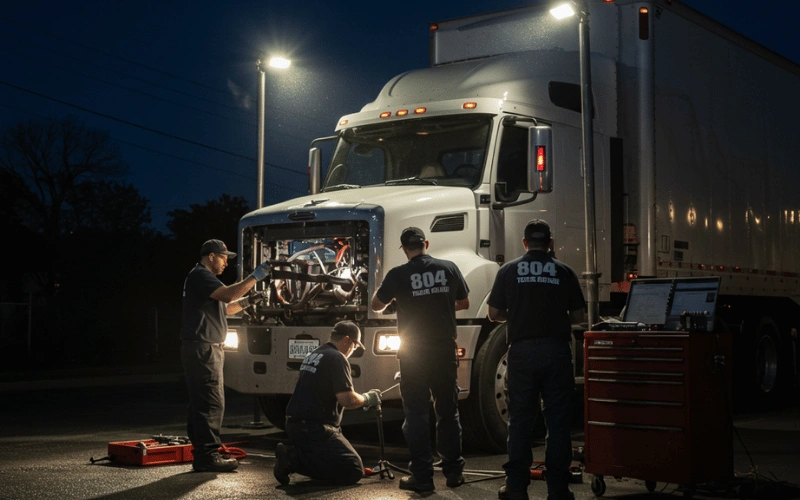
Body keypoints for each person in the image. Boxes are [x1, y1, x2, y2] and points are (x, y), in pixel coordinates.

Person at [487, 220, 586, 500]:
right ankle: (558, 489)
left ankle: (517, 487)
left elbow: (494, 313)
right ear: (551, 243)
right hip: (556, 352)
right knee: (557, 422)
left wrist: (517, 314)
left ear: (524, 242)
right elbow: (578, 318)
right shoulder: (564, 271)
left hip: (521, 352)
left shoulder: (508, 270)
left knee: (519, 421)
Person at [371, 227, 470, 493]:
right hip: (444, 351)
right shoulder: (448, 268)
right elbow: (464, 302)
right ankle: (454, 473)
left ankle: (423, 478)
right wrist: (440, 300)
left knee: (416, 414)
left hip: (414, 354)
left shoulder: (398, 274)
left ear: (404, 249)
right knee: (448, 412)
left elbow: (375, 306)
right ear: (426, 243)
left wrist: (400, 301)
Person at [181, 239, 272, 472]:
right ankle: (207, 457)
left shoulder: (202, 279)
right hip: (204, 348)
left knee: (203, 402)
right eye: (223, 258)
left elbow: (226, 307)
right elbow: (228, 296)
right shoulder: (200, 275)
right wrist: (255, 277)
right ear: (211, 256)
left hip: (204, 347)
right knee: (211, 402)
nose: (225, 263)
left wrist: (251, 300)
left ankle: (203, 452)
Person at [274, 321, 381, 486]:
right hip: (315, 428)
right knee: (353, 469)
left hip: (297, 424)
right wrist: (368, 398)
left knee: (338, 455)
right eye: (354, 345)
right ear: (346, 340)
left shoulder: (315, 354)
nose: (353, 350)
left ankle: (300, 455)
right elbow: (347, 400)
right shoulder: (338, 358)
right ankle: (292, 459)